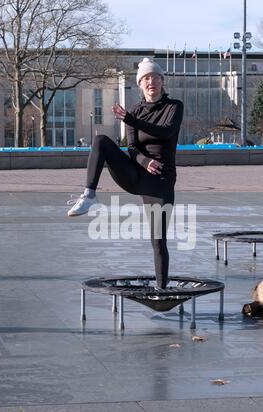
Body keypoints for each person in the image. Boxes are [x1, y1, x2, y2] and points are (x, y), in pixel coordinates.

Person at [67, 58, 183, 289]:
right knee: (101, 141)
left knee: (158, 242)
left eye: (155, 77)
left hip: (160, 181)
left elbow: (166, 132)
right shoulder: (136, 111)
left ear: (162, 81)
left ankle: (161, 289)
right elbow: (131, 148)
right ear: (140, 84)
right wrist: (144, 160)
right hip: (136, 174)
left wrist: (130, 119)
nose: (151, 82)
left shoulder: (174, 107)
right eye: (146, 78)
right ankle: (89, 195)